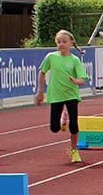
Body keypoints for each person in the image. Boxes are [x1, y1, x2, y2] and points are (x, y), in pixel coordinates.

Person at [35, 30, 89, 163]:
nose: (61, 44)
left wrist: (76, 81)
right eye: (58, 42)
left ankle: (74, 150)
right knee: (54, 128)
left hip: (71, 94)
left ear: (71, 43)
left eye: (64, 42)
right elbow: (42, 73)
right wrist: (40, 91)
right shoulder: (51, 57)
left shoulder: (74, 60)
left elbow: (82, 79)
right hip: (55, 94)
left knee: (74, 125)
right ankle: (63, 118)